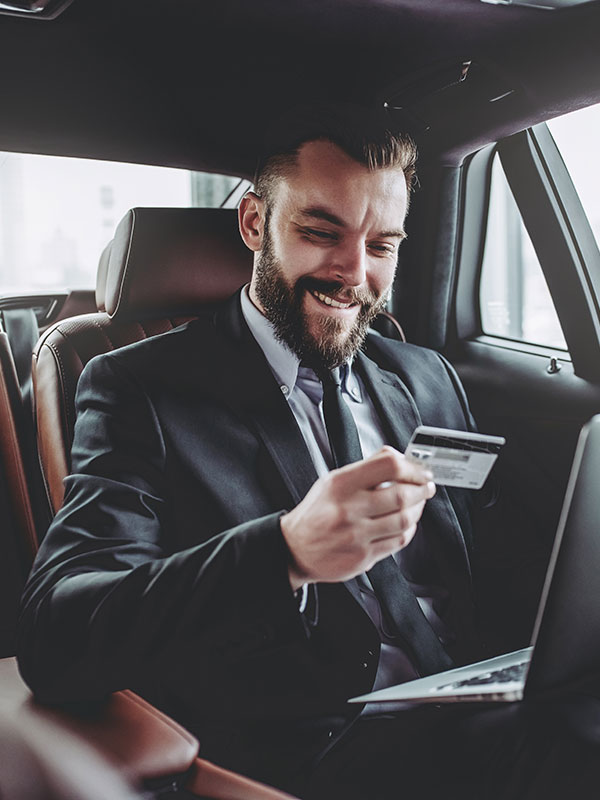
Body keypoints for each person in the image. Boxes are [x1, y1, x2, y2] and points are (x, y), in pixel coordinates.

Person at [17, 105, 600, 800]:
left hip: (477, 704)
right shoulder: (136, 390)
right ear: (255, 223)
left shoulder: (425, 375)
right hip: (314, 749)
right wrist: (287, 552)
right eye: (323, 232)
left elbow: (501, 554)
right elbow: (59, 632)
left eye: (382, 245)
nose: (354, 274)